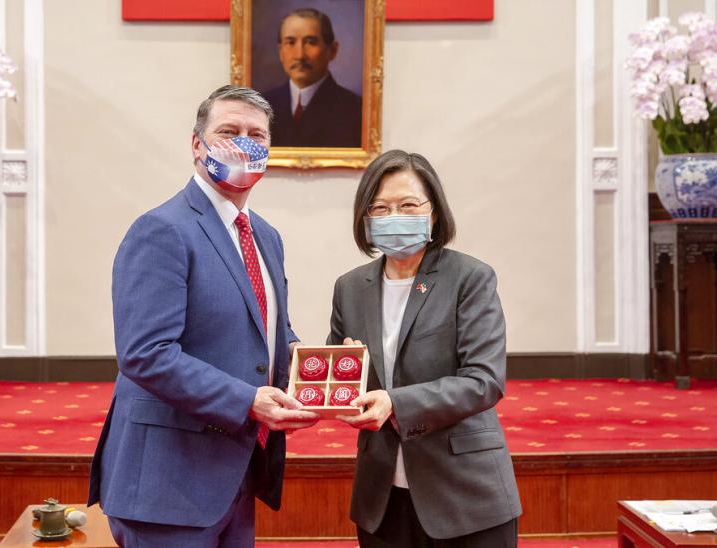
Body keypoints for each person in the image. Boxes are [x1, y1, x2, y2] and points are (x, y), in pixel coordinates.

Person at [88, 85, 320, 547]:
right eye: (228, 131)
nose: (243, 143)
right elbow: (146, 355)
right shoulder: (162, 229)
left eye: (256, 135)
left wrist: (317, 369)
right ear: (197, 144)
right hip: (168, 481)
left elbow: (269, 331)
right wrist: (247, 401)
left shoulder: (265, 237)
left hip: (236, 472)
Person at [328, 150, 522, 547]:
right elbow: (340, 379)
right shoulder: (350, 288)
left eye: (408, 205)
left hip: (465, 495)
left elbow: (484, 381)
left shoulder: (469, 278)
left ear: (433, 212)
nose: (393, 215)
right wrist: (344, 375)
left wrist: (395, 403)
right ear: (365, 219)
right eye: (379, 207)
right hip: (381, 494)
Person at [261, 8, 362, 148]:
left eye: (311, 42)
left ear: (332, 50)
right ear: (280, 52)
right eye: (290, 42)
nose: (299, 55)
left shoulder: (356, 111)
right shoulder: (260, 107)